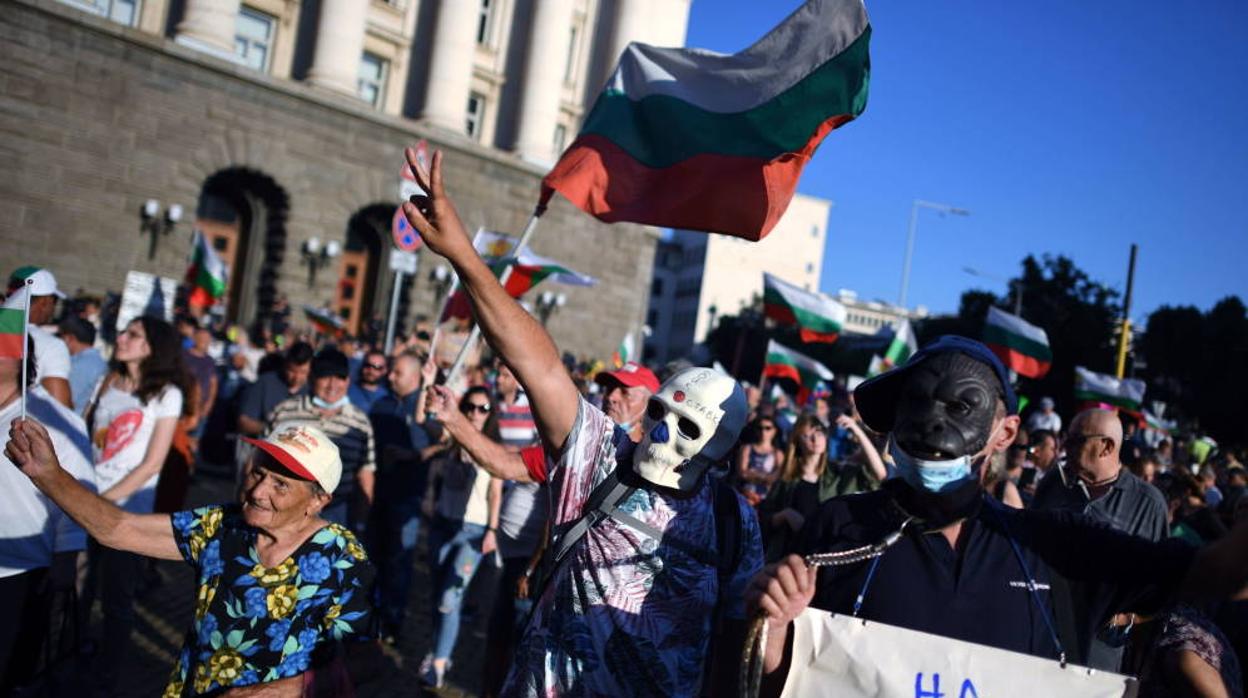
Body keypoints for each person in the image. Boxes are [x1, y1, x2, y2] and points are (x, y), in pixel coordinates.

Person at [399, 147, 764, 696]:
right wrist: (464, 257)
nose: (661, 434)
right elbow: (538, 365)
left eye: (688, 428)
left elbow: (737, 642)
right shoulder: (601, 457)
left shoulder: (735, 523)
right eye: (660, 413)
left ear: (722, 450)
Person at [746, 336, 1248, 691]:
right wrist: (770, 634)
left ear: (1004, 433)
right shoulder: (841, 528)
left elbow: (1219, 575)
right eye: (916, 403)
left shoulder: (1057, 548)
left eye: (960, 407)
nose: (931, 424)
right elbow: (781, 674)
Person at [6, 420, 376, 696]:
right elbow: (119, 528)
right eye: (258, 472)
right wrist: (49, 475)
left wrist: (276, 691)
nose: (259, 491)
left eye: (281, 485)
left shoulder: (342, 558)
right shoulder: (221, 526)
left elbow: (364, 660)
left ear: (318, 500)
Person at [79, 314, 192, 694]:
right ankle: (75, 654)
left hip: (126, 513)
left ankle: (107, 674)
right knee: (79, 587)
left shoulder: (166, 394)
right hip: (86, 499)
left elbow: (152, 464)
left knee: (117, 596)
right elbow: (85, 435)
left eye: (133, 334)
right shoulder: (107, 381)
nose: (122, 338)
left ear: (151, 348)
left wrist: (102, 501)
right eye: (124, 332)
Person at [0, 342, 95, 693]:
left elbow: (79, 492)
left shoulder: (57, 421)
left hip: (21, 572)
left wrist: (66, 559)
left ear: (21, 359)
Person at [418, 386, 500, 688]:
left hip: (474, 532)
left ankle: (439, 663)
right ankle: (437, 649)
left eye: (483, 408)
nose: (476, 413)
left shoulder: (492, 447)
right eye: (471, 407)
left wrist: (492, 530)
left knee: (450, 598)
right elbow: (423, 421)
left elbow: (496, 491)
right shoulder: (450, 440)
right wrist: (427, 383)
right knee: (437, 592)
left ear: (490, 414)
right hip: (443, 524)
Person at [366, 351, 438, 643]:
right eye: (391, 372)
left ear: (415, 377)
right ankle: (369, 615)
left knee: (399, 560)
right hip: (376, 491)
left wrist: (413, 455)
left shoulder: (426, 410)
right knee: (373, 556)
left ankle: (392, 620)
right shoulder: (380, 404)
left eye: (397, 372)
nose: (390, 376)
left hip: (407, 495)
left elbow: (444, 444)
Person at [265, 348, 375, 534]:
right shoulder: (284, 412)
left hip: (338, 512)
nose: (333, 385)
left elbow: (365, 474)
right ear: (311, 378)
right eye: (325, 377)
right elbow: (261, 461)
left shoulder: (360, 422)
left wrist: (361, 522)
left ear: (348, 381)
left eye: (340, 377)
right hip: (284, 508)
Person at [758, 415, 878, 562]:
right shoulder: (787, 479)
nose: (815, 440)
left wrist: (857, 430)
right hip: (790, 558)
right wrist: (785, 515)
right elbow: (765, 519)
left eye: (819, 433)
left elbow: (879, 474)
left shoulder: (837, 475)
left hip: (826, 558)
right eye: (807, 435)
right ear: (797, 441)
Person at [3, 267, 72, 409]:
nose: (53, 308)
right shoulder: (53, 346)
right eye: (54, 301)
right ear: (45, 302)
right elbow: (59, 408)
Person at [237, 341, 313, 439]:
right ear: (285, 364)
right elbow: (244, 422)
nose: (296, 378)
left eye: (303, 372)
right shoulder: (265, 383)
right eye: (292, 371)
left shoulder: (313, 390)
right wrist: (274, 428)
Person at [594, 360, 660, 443]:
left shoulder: (648, 454)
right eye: (609, 389)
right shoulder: (585, 438)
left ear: (649, 408)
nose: (611, 397)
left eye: (625, 393)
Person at [59, 315, 108, 419]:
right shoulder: (95, 361)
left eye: (61, 337)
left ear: (70, 338)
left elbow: (62, 400)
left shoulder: (83, 364)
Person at [736, 415, 785, 506]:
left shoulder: (778, 454)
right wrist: (765, 476)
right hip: (743, 496)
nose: (763, 431)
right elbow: (742, 473)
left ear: (775, 430)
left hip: (764, 501)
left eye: (768, 428)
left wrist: (752, 473)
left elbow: (774, 478)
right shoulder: (747, 448)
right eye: (760, 428)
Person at [347, 349, 389, 414]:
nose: (371, 370)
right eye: (367, 365)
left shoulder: (388, 397)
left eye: (377, 367)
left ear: (384, 370)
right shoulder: (347, 391)